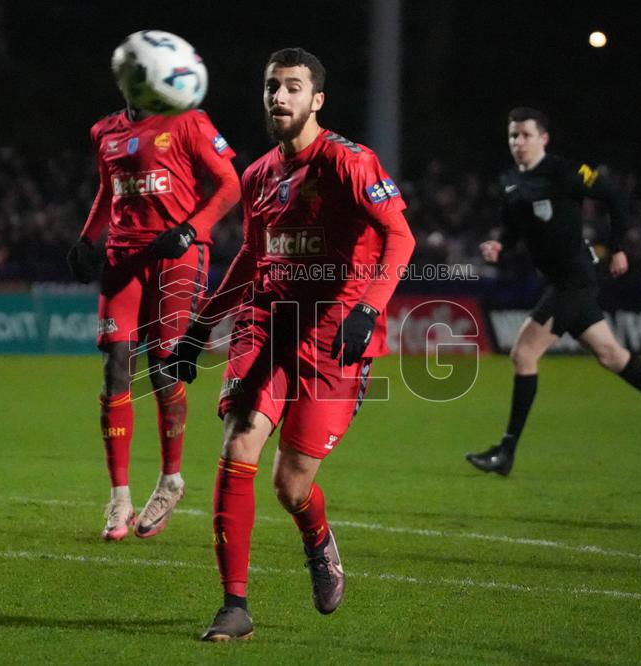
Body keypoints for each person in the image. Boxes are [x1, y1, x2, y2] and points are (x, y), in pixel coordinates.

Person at [166, 47, 414, 641]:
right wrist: (202, 326)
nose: (280, 97)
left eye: (294, 88)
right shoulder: (257, 176)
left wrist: (367, 309)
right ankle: (234, 605)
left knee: (292, 482)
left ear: (316, 100)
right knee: (240, 438)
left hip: (333, 336)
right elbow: (253, 257)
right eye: (273, 86)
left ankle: (318, 540)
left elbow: (400, 238)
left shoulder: (350, 162)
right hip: (266, 326)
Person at [67, 33, 239, 541]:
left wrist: (191, 228)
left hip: (176, 254)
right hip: (123, 257)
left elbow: (230, 183)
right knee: (116, 363)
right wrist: (86, 238)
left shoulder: (189, 121)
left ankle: (170, 479)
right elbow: (108, 189)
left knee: (164, 368)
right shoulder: (105, 131)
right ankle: (118, 497)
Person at [465, 107, 641, 476]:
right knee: (610, 355)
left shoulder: (565, 172)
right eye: (513, 136)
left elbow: (614, 197)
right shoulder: (510, 182)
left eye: (525, 134)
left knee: (523, 354)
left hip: (575, 279)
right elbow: (513, 229)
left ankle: (506, 452)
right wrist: (500, 246)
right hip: (560, 281)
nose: (518, 142)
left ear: (544, 138)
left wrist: (618, 246)